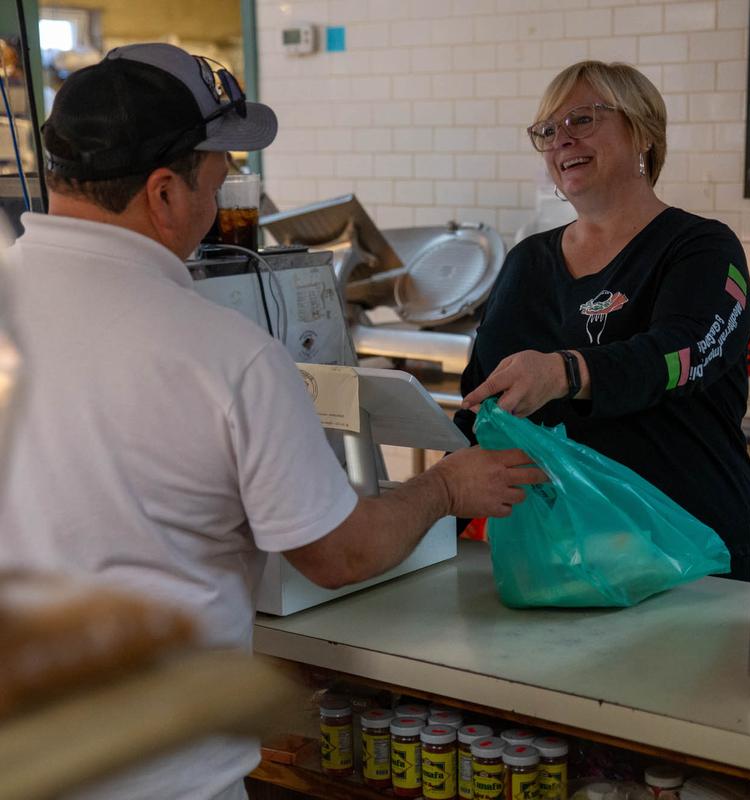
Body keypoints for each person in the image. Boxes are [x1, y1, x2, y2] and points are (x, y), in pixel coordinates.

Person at [0, 43, 542, 800]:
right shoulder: (226, 356)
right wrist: (446, 488)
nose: (224, 198)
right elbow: (338, 555)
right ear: (164, 193)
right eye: (218, 175)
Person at [455, 60, 750, 582]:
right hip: (559, 563)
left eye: (582, 119)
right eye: (547, 130)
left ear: (642, 132)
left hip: (691, 557)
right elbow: (479, 408)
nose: (560, 140)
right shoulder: (527, 262)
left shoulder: (702, 247)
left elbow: (685, 355)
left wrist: (566, 372)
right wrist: (424, 520)